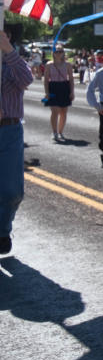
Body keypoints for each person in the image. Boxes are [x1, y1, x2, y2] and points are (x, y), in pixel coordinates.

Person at [0, 26, 34, 256]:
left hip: (10, 130)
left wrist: (8, 51)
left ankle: (3, 229)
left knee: (12, 190)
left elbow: (27, 79)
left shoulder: (12, 64)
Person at [43, 45, 74, 142]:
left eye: (60, 51)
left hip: (64, 87)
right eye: (56, 51)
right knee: (55, 111)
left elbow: (71, 79)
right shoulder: (49, 64)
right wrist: (47, 92)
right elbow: (46, 80)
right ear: (53, 53)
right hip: (53, 87)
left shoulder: (68, 64)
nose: (58, 53)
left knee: (64, 112)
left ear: (63, 53)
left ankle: (60, 132)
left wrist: (72, 92)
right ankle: (54, 132)